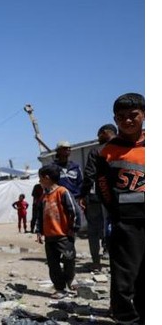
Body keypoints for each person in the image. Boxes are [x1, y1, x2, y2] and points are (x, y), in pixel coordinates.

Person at [93, 93, 144, 325]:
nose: (128, 120)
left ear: (143, 115)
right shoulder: (107, 151)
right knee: (125, 275)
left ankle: (143, 317)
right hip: (125, 221)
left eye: (133, 115)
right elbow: (102, 186)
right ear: (115, 119)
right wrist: (115, 212)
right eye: (121, 116)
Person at [35, 164, 81, 300]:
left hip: (64, 236)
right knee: (53, 264)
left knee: (69, 259)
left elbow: (75, 211)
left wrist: (73, 228)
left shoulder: (62, 192)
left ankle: (69, 279)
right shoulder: (44, 196)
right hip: (50, 237)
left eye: (40, 178)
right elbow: (40, 216)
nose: (39, 181)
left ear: (47, 178)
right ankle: (60, 288)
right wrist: (39, 231)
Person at [78, 124, 117, 270]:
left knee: (94, 229)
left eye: (99, 134)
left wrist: (83, 195)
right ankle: (117, 261)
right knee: (117, 226)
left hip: (97, 196)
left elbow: (89, 175)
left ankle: (96, 262)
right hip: (118, 197)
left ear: (105, 132)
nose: (98, 138)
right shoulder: (124, 148)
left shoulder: (97, 150)